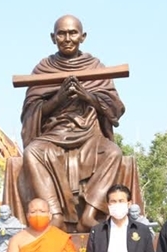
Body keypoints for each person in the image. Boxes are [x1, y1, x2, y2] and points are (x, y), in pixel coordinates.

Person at [17, 15, 127, 232]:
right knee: (32, 152)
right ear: (53, 37)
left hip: (89, 134)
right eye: (61, 34)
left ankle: (90, 214)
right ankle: (55, 214)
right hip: (54, 134)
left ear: (83, 36)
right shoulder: (43, 69)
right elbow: (32, 112)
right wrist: (58, 99)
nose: (67, 38)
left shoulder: (95, 67)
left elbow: (114, 109)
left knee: (113, 152)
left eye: (72, 33)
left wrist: (88, 96)